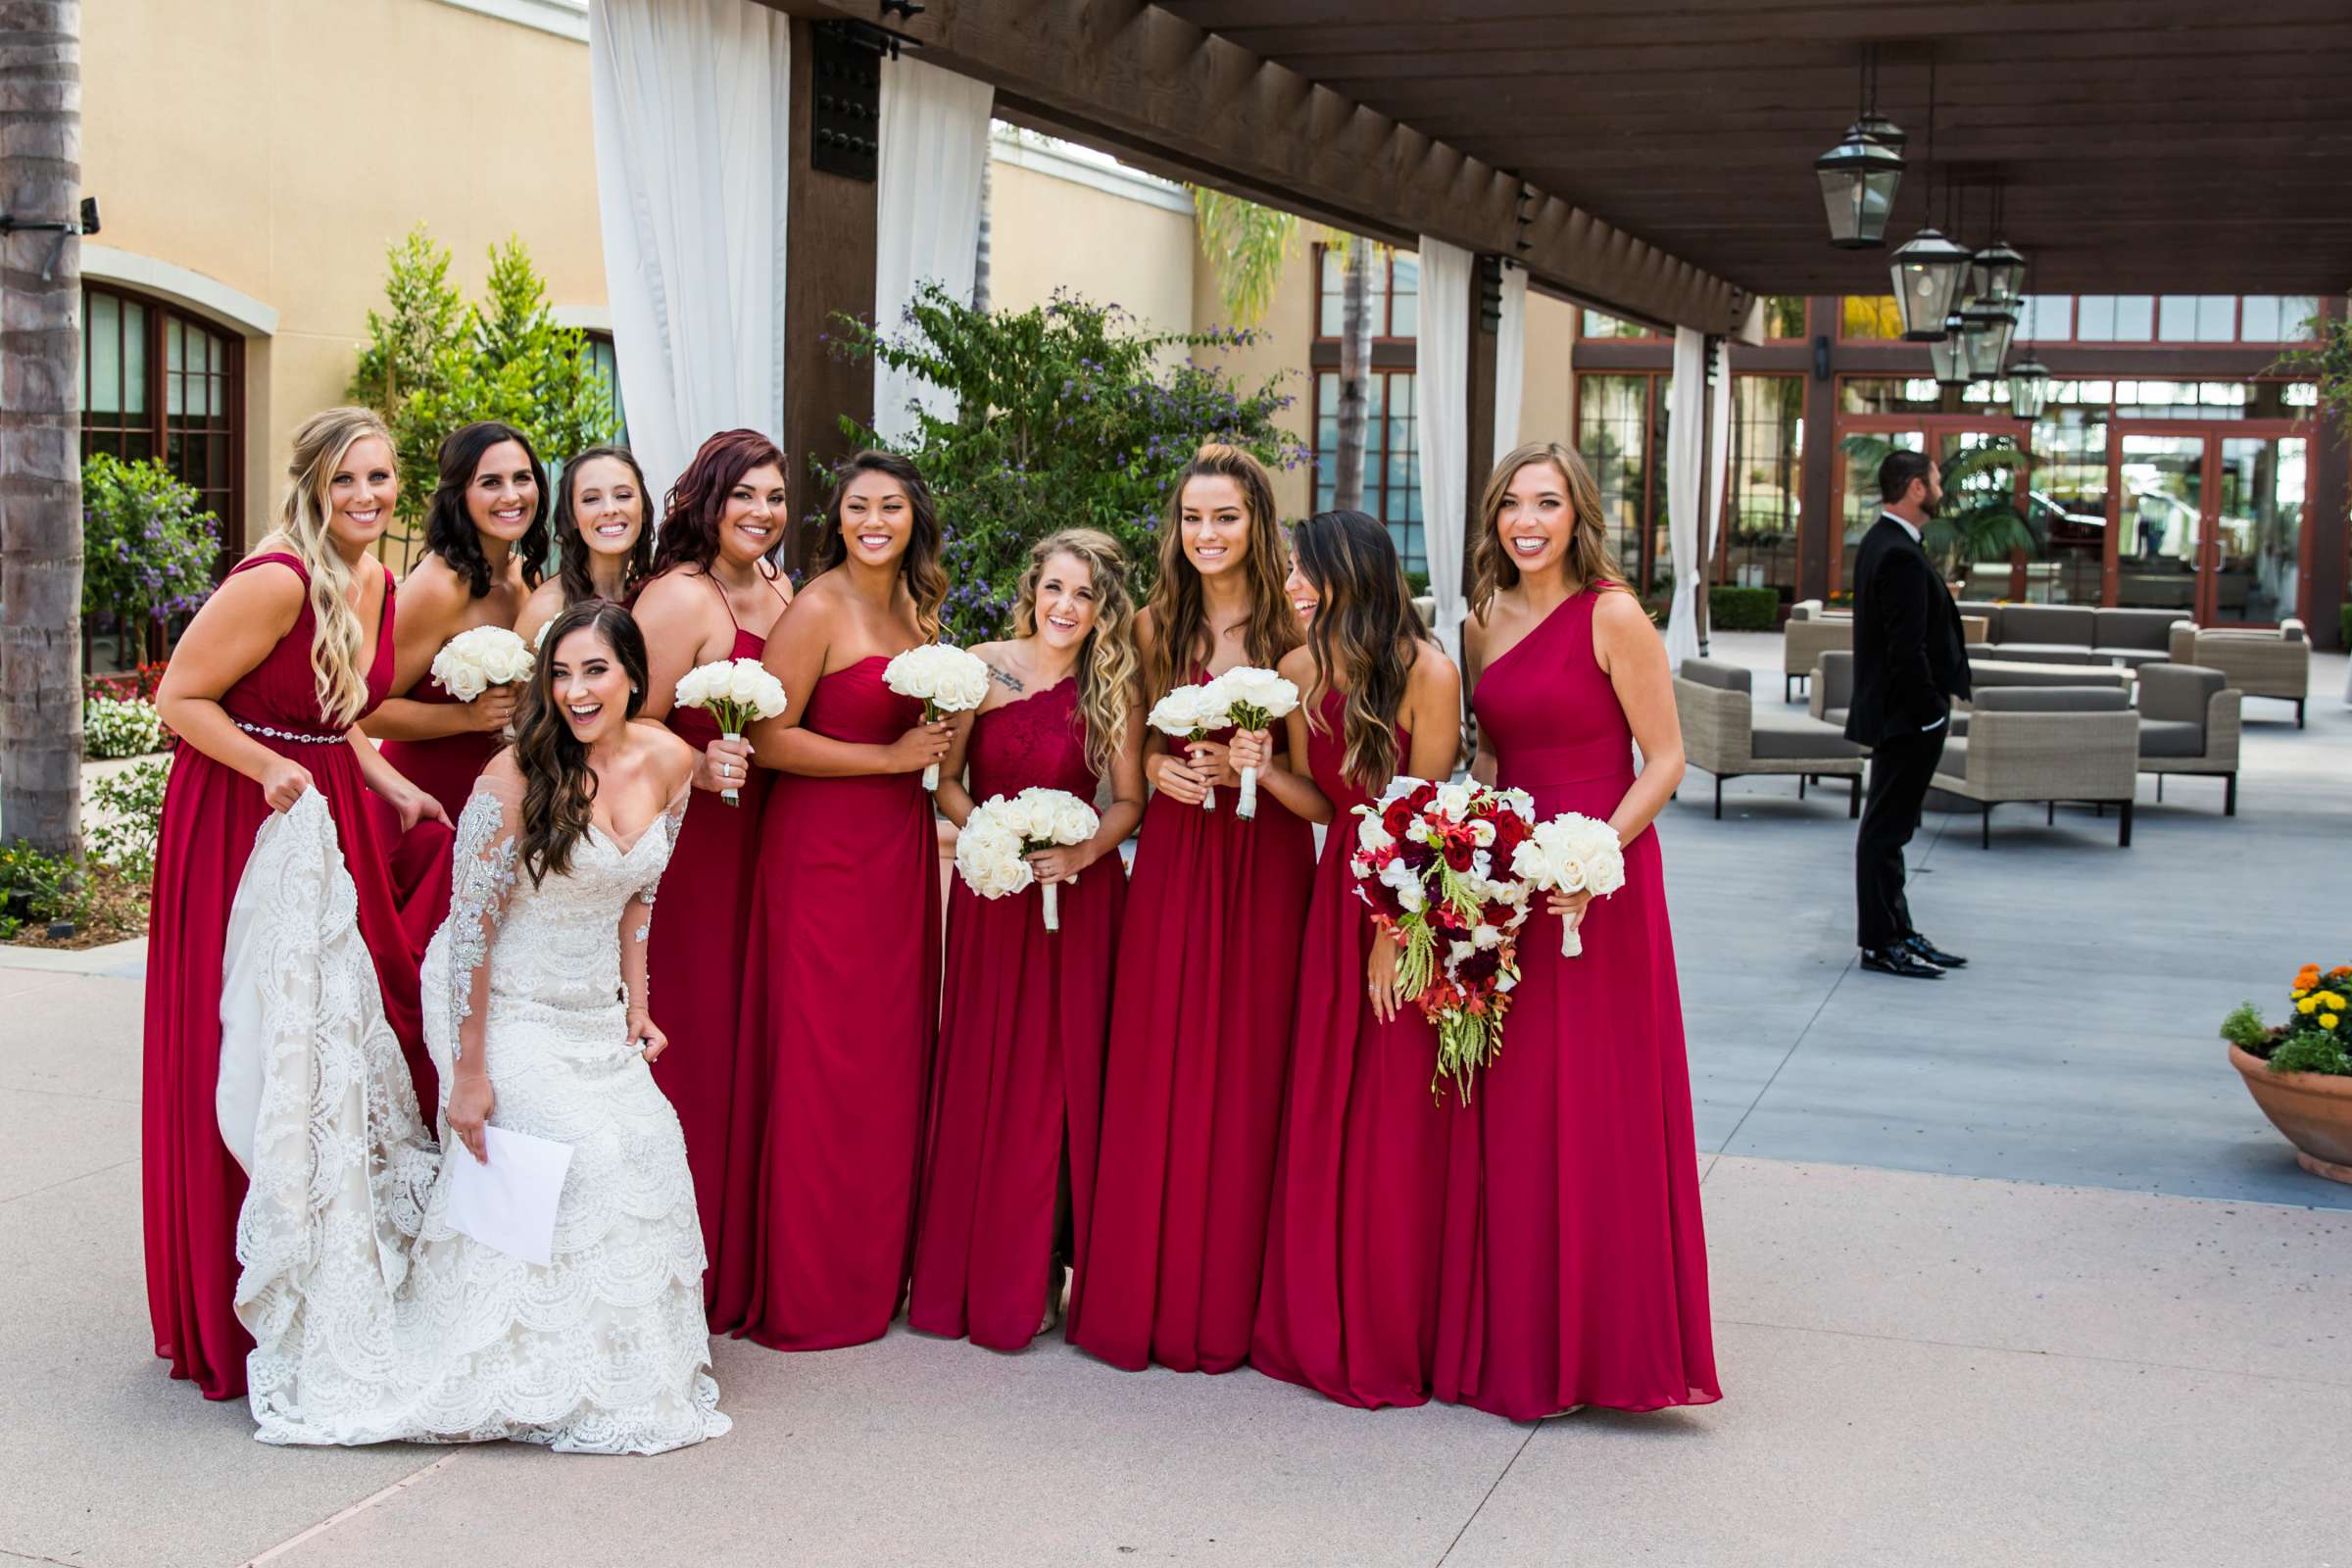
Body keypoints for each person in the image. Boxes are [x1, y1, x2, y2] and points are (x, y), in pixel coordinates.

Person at [225, 600, 729, 1453]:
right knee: (586, 1157)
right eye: (560, 673)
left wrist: (638, 1007)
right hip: (502, 1010)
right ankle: (516, 1360)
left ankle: (613, 1370)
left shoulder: (672, 761)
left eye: (595, 671)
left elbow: (641, 893)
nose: (575, 691)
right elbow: (469, 938)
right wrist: (469, 1073)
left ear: (635, 678)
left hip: (593, 1013)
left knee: (652, 1140)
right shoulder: (513, 779)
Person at [144, 407, 451, 1401]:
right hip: (243, 820)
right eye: (347, 480)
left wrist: (389, 780)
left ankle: (330, 1275)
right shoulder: (276, 580)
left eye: (381, 478)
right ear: (314, 484)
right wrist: (271, 766)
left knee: (343, 1041)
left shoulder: (377, 579)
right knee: (262, 1044)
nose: (367, 497)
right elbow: (180, 699)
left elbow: (341, 711)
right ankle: (234, 1303)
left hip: (328, 811)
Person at [1446, 439, 1719, 1420]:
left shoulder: (1612, 612)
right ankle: (1523, 1340)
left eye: (1547, 503)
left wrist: (1589, 858)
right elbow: (1489, 763)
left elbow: (1668, 757)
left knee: (1597, 1103)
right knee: (1515, 1106)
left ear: (1577, 514)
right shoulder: (1483, 622)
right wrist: (1466, 853)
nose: (1528, 520)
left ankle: (1609, 1350)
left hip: (1601, 882)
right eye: (1512, 503)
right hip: (1516, 884)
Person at [1068, 444, 1314, 1376]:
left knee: (1251, 1067)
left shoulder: (1298, 634)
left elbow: (1326, 798)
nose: (1206, 535)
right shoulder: (1150, 628)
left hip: (1265, 868)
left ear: (1258, 526)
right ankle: (1149, 1292)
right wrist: (1165, 772)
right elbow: (1121, 774)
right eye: (1192, 519)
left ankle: (1236, 1303)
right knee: (1160, 1060)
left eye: (1226, 518)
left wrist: (1261, 771)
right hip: (1175, 860)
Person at [1247, 510, 1465, 1409]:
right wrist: (1260, 768)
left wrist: (1390, 930)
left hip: (1406, 896)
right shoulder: (1298, 670)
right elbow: (1322, 807)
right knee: (1326, 1095)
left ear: (1355, 572)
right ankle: (1315, 1313)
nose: (1293, 584)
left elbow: (1428, 815)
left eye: (1307, 570)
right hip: (1331, 887)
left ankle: (1389, 1323)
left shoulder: (1429, 671)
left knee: (1395, 1110)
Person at [735, 450, 952, 1351]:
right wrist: (889, 762)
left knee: (886, 1055)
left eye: (891, 506)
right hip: (821, 852)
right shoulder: (817, 605)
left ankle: (875, 1267)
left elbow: (938, 738)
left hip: (897, 855)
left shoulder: (922, 610)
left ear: (914, 519)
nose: (874, 520)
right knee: (822, 1057)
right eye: (858, 505)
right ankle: (810, 1287)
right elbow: (769, 738)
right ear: (839, 518)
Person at [909, 528, 1145, 1351]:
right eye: (1054, 588)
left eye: (1084, 594)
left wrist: (1080, 851)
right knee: (988, 1070)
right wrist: (993, 836)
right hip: (994, 894)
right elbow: (945, 784)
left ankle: (1047, 1264)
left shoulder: (1113, 685)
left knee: (1060, 1079)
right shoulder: (982, 667)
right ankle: (979, 1263)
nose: (1065, 607)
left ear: (1102, 607)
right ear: (1031, 589)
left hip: (1080, 900)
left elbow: (1128, 801)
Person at [627, 430, 794, 1327]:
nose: (763, 513)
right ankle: (669, 1271)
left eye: (775, 496)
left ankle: (734, 1250)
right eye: (746, 496)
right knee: (694, 1034)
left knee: (747, 1036)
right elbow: (621, 722)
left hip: (766, 837)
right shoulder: (680, 597)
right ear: (706, 499)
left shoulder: (778, 586)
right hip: (694, 843)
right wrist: (692, 767)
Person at [368, 421, 547, 822]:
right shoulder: (438, 586)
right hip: (428, 801)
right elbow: (366, 712)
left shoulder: (527, 577)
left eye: (522, 478)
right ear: (459, 494)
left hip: (505, 801)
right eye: (490, 483)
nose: (511, 495)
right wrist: (466, 717)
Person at [1844, 449, 1971, 979]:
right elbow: (1905, 649)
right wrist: (1929, 713)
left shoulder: (1889, 542)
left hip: (1902, 716)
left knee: (1892, 831)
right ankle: (1881, 943)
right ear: (1916, 488)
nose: (1941, 489)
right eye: (1936, 480)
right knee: (1885, 832)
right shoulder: (1896, 552)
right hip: (1906, 719)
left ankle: (1897, 930)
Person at [513, 444, 655, 648]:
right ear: (572, 518)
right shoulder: (547, 608)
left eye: (623, 495)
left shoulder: (653, 592)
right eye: (591, 499)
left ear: (642, 509)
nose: (610, 509)